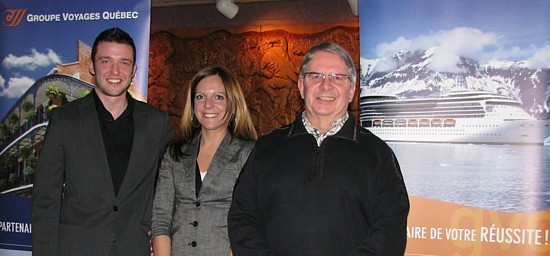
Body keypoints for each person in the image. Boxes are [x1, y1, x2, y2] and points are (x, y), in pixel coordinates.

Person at [228, 42, 410, 255]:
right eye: (316, 76)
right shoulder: (267, 148)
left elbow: (390, 230)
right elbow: (243, 215)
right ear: (301, 86)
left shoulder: (378, 154)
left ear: (351, 90)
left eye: (337, 77)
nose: (326, 85)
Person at [31, 27, 173, 255]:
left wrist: (163, 231)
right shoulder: (64, 120)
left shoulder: (156, 122)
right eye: (106, 61)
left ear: (134, 69)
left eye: (124, 62)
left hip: (135, 248)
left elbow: (176, 182)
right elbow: (45, 199)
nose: (115, 70)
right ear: (91, 66)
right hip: (77, 249)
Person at [151, 66, 257, 256]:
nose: (208, 105)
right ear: (192, 106)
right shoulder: (174, 154)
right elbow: (161, 219)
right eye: (200, 97)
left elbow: (250, 221)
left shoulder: (248, 153)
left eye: (218, 97)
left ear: (232, 105)